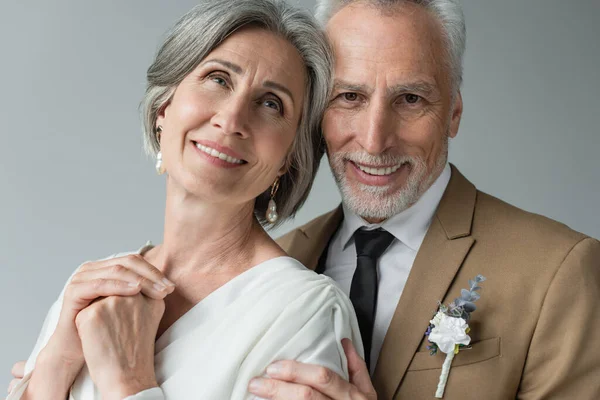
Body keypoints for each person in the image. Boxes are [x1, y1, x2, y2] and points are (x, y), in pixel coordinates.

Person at [5, 0, 362, 399]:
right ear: (164, 107)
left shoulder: (304, 312)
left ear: (287, 158)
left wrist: (130, 384)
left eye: (270, 103)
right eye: (218, 79)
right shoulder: (89, 288)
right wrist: (55, 364)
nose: (231, 119)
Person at [243, 0, 600, 399]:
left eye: (410, 99)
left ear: (453, 113)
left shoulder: (559, 271)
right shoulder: (279, 264)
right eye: (348, 96)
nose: (374, 141)